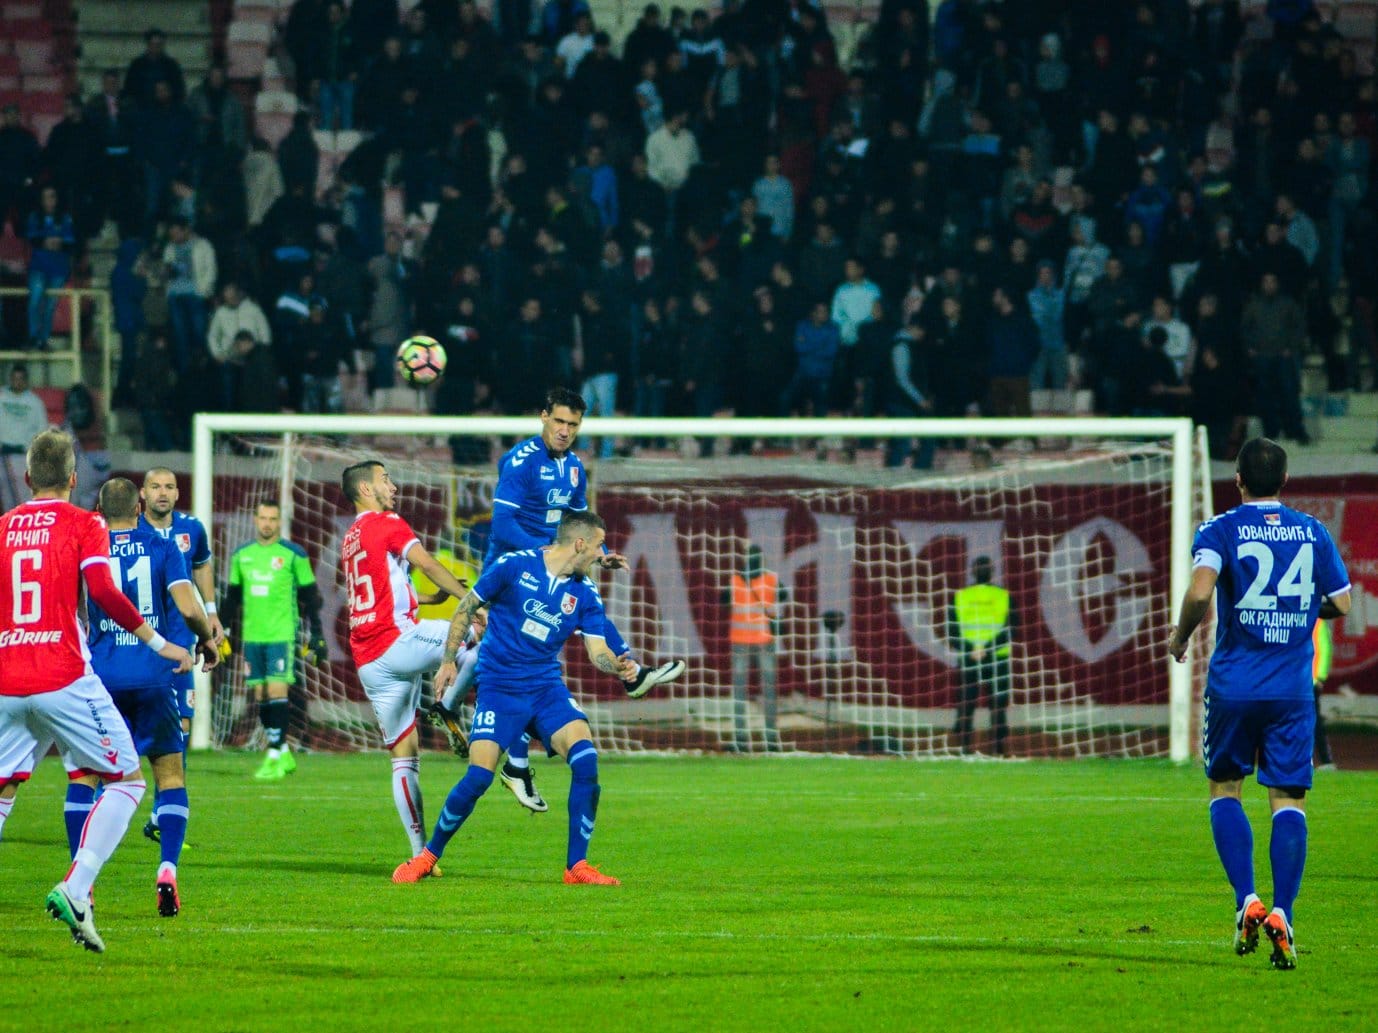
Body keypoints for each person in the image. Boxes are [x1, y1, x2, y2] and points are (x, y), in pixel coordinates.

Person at [433, 387, 685, 811]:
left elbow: (579, 521)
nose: (566, 431)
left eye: (574, 424)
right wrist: (547, 557)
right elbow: (502, 523)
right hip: (514, 570)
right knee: (510, 660)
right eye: (560, 421)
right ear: (543, 416)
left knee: (564, 622)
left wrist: (599, 554)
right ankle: (487, 738)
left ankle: (502, 747)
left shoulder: (574, 470)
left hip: (552, 562)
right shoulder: (520, 462)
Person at [0, 429, 195, 952]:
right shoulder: (85, 522)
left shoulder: (3, 527)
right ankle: (77, 886)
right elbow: (104, 590)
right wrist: (159, 643)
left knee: (4, 790)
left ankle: (78, 887)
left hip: (6, 676)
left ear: (24, 477)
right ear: (72, 477)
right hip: (62, 674)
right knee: (129, 780)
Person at [1168, 438, 1351, 970]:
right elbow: (1340, 602)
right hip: (1291, 691)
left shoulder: (1219, 528)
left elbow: (1201, 594)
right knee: (1287, 801)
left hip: (1234, 685)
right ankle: (1282, 912)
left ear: (1239, 481)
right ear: (1285, 481)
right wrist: (1295, 611)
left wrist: (1180, 638)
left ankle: (1246, 899)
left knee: (1225, 788)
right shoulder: (1312, 531)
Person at [392, 510, 633, 887]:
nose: (603, 554)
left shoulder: (584, 592)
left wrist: (617, 666)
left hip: (545, 688)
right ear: (581, 543)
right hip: (500, 687)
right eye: (600, 545)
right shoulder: (513, 566)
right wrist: (449, 661)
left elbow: (597, 649)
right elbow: (467, 607)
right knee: (478, 777)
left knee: (586, 761)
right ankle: (426, 856)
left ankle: (577, 866)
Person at [339, 459, 493, 863]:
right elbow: (425, 563)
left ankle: (419, 856)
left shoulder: (350, 538)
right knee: (476, 638)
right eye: (385, 479)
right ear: (367, 490)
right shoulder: (386, 521)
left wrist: (424, 599)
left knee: (404, 757)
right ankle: (451, 707)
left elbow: (377, 591)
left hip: (370, 660)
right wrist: (469, 602)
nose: (393, 485)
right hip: (397, 641)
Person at [86, 477, 218, 917]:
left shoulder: (89, 548)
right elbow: (186, 606)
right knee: (171, 777)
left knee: (91, 780)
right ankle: (166, 870)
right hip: (153, 676)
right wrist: (206, 639)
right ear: (140, 503)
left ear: (99, 510)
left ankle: (82, 881)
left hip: (101, 679)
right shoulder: (163, 546)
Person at [138, 467, 226, 839]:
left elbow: (202, 563)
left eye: (169, 487)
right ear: (142, 493)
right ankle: (96, 809)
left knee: (181, 728)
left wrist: (210, 610)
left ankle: (161, 815)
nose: (163, 492)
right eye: (155, 486)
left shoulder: (191, 529)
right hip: (139, 645)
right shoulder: (128, 530)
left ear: (177, 493)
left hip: (180, 643)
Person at [221, 501, 325, 781]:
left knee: (278, 691)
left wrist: (317, 634)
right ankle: (281, 751)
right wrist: (223, 630)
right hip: (253, 637)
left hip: (281, 634)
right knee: (260, 695)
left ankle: (275, 754)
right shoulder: (242, 555)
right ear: (255, 520)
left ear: (280, 522)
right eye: (263, 518)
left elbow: (312, 597)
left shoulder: (293, 554)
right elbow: (231, 597)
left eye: (272, 519)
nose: (267, 523)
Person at [947, 555, 1014, 756]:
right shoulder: (1004, 596)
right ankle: (999, 749)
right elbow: (1013, 629)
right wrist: (988, 648)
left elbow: (952, 633)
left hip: (970, 657)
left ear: (972, 573)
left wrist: (972, 649)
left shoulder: (960, 596)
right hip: (997, 657)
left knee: (967, 703)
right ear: (992, 572)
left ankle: (965, 748)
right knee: (997, 703)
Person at [725, 545, 785, 752]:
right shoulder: (770, 580)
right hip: (758, 639)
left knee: (744, 691)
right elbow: (783, 596)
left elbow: (723, 599)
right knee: (765, 690)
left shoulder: (736, 580)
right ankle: (768, 738)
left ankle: (745, 737)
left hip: (749, 640)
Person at [25, 185, 75, 351]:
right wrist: (45, 242)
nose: (49, 201)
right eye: (46, 197)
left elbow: (70, 242)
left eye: (52, 196)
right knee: (35, 298)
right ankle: (33, 336)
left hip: (58, 269)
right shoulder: (34, 217)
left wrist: (59, 243)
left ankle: (43, 339)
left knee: (51, 305)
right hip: (39, 267)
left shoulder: (65, 218)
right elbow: (32, 239)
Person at [1311, 618, 1334, 769]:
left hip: (1309, 682)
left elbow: (1325, 649)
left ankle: (1326, 760)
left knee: (1315, 723)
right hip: (1294, 682)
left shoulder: (1318, 622)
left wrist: (1320, 677)